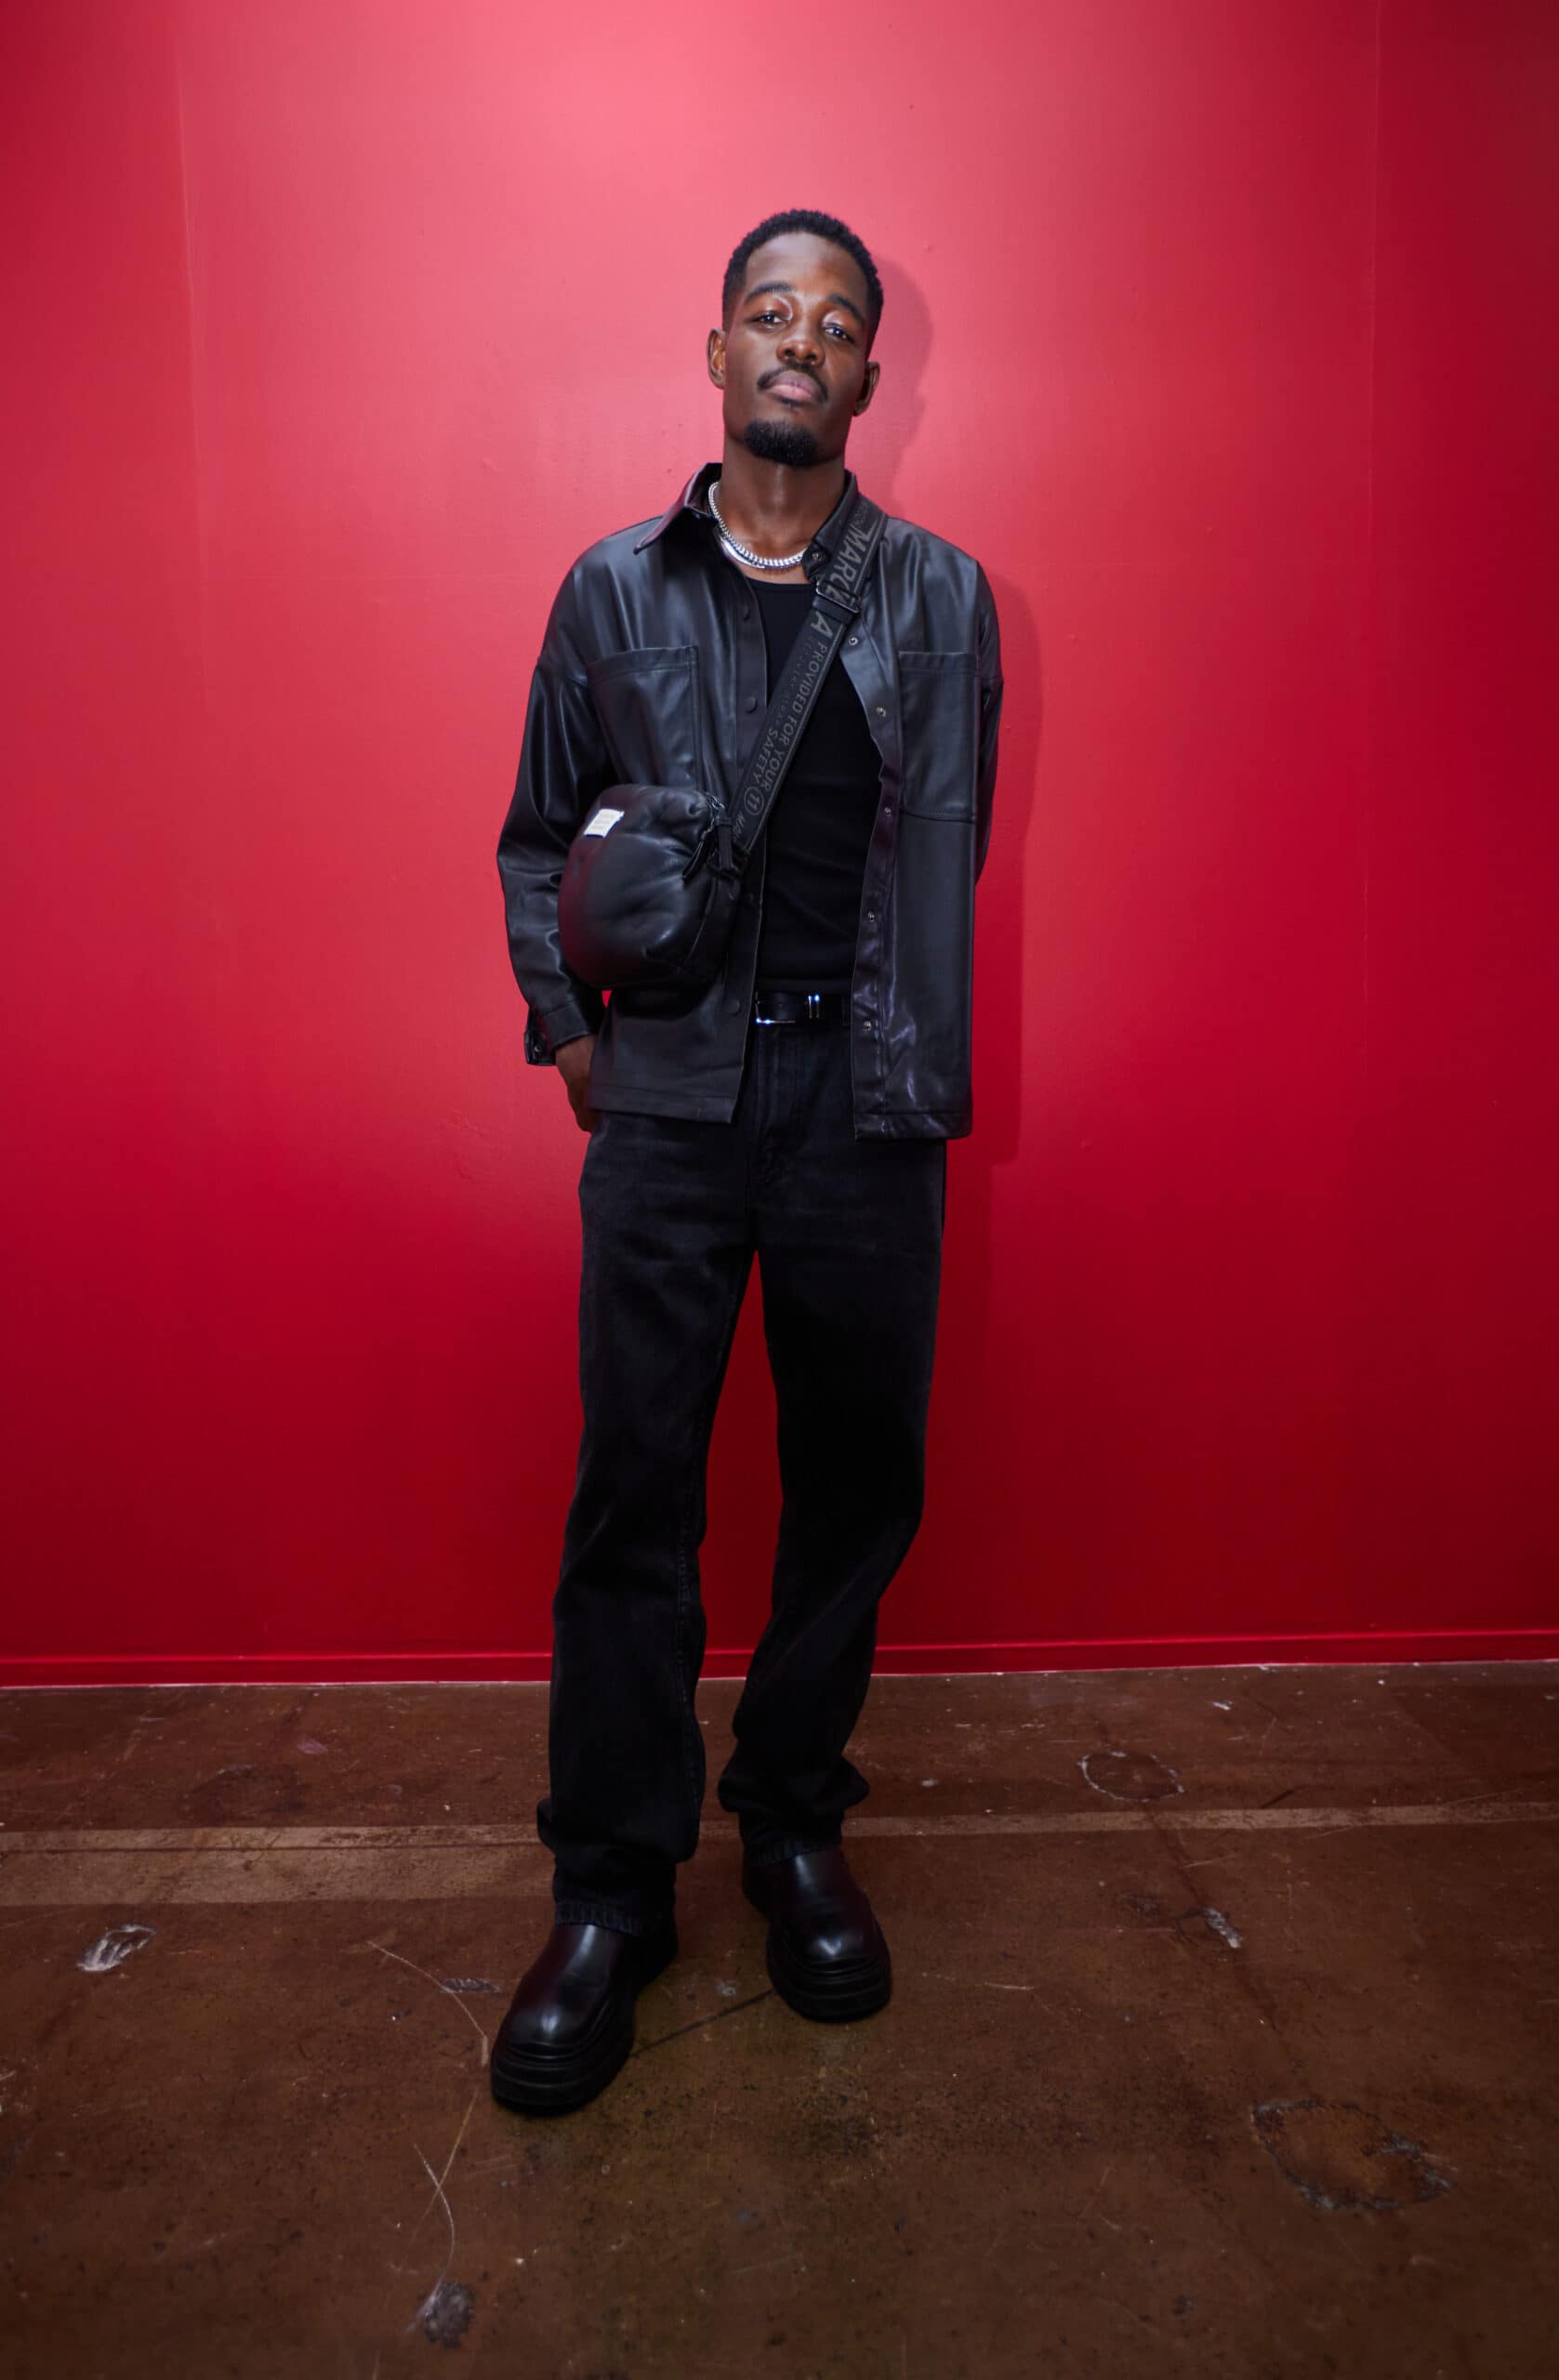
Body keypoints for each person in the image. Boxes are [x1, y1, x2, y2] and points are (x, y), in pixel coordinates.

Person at [491, 207, 1003, 2114]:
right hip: (672, 1108)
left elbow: (944, 846)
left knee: (854, 1485)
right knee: (634, 1492)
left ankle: (791, 1822)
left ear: (869, 375)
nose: (803, 339)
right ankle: (611, 1890)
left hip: (863, 1107)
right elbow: (537, 837)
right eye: (770, 312)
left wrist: (899, 1049)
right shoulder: (608, 590)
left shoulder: (942, 599)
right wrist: (574, 1033)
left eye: (837, 320)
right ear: (717, 353)